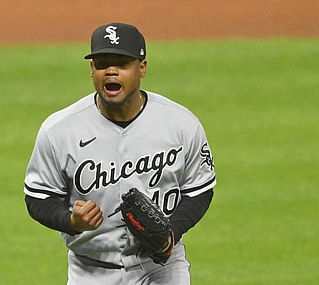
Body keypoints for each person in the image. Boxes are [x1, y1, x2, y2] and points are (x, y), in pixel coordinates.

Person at [24, 22, 216, 285]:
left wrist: (171, 233)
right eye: (102, 63)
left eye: (122, 63)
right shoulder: (58, 130)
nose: (111, 71)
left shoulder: (181, 124)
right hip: (90, 271)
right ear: (92, 69)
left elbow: (199, 190)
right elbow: (39, 197)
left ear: (142, 67)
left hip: (162, 267)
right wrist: (71, 221)